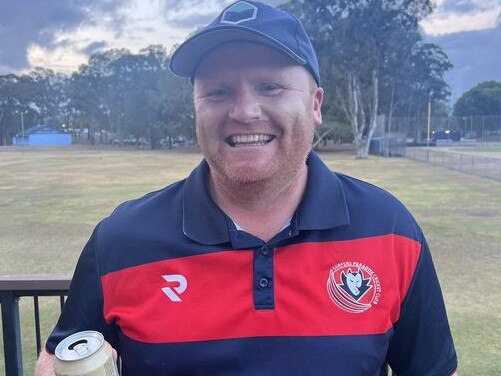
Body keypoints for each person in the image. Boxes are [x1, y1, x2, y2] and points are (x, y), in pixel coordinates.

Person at [36, 1, 458, 375]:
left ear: (314, 105)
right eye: (218, 92)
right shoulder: (120, 239)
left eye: (269, 87)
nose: (244, 111)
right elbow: (60, 357)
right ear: (196, 109)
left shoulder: (390, 230)